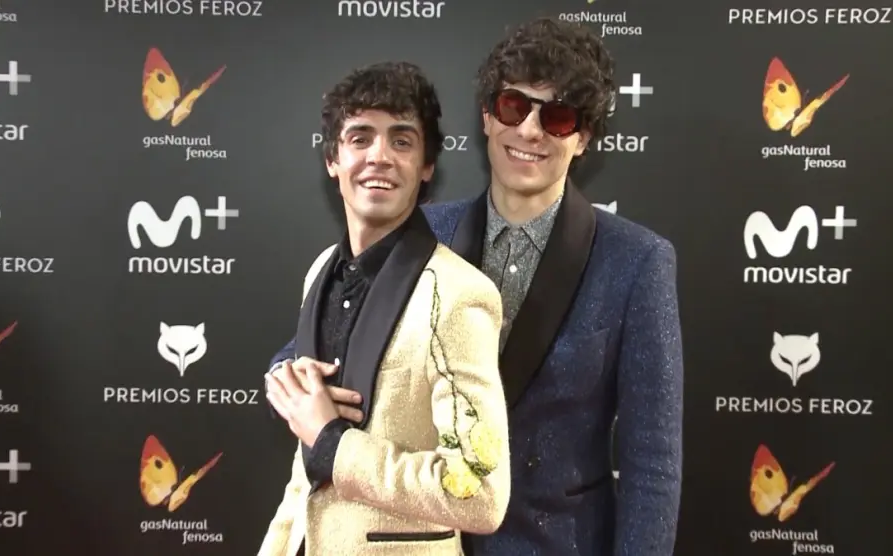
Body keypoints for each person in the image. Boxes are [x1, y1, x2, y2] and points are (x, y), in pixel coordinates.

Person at [266, 18, 683, 556]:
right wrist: (292, 378)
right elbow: (319, 338)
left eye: (557, 117)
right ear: (487, 116)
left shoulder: (636, 260)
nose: (529, 131)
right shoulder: (423, 232)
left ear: (582, 138)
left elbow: (652, 461)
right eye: (514, 106)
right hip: (422, 537)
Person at [258, 61, 512, 556]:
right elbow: (305, 479)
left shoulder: (458, 295)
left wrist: (333, 444)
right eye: (360, 138)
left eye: (401, 140)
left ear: (427, 165)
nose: (379, 156)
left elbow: (481, 492)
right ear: (332, 159)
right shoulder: (320, 272)